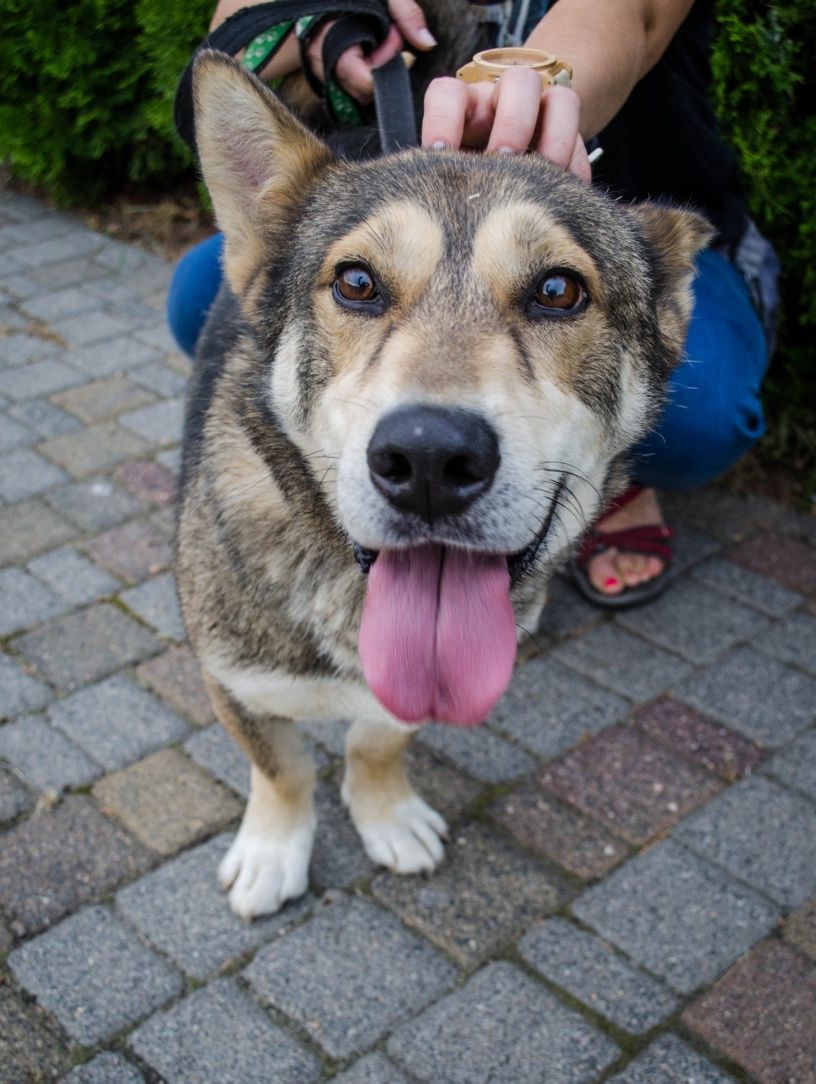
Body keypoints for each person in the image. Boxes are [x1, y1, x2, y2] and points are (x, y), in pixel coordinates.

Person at [168, 0, 778, 607]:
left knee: (704, 417)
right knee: (200, 293)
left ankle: (598, 478)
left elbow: (634, 13)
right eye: (359, 286)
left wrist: (537, 98)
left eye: (554, 292)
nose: (430, 442)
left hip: (625, 198)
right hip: (393, 189)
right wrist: (312, 26)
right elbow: (237, 20)